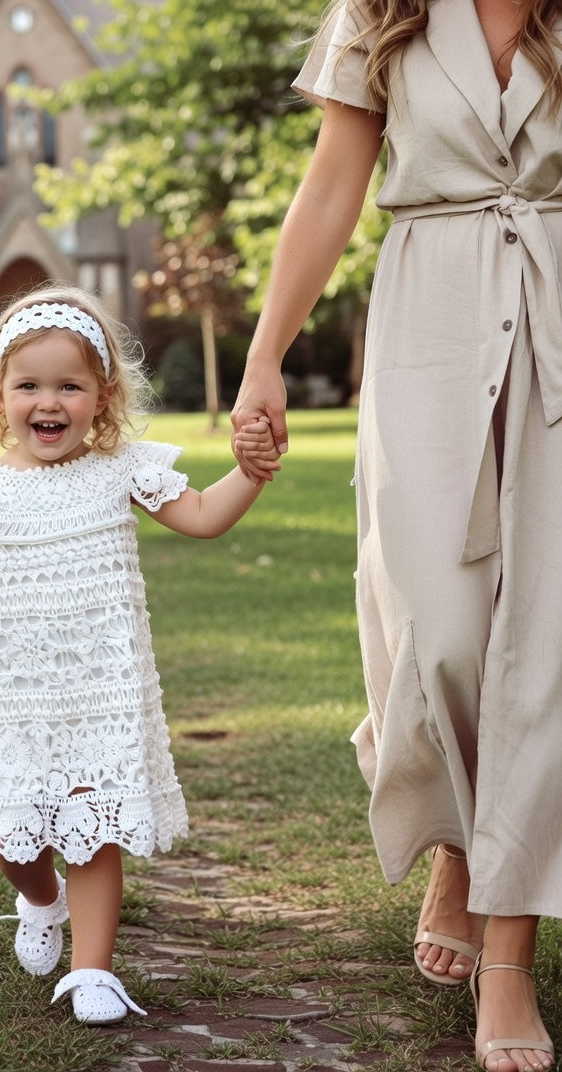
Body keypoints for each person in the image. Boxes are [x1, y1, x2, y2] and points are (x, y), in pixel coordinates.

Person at [231, 2, 562, 1070]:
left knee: (549, 646)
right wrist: (266, 352)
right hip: (430, 310)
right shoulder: (379, 11)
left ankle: (510, 956)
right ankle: (460, 842)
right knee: (439, 627)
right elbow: (334, 179)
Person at [0, 284, 276, 1025]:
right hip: (16, 689)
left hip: (100, 685)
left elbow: (200, 517)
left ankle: (92, 972)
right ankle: (41, 897)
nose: (49, 401)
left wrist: (251, 474)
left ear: (102, 396)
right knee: (14, 833)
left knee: (93, 827)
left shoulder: (121, 470)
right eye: (28, 385)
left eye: (69, 386)